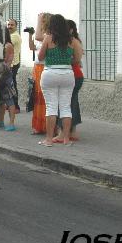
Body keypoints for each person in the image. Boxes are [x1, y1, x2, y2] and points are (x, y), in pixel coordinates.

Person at [38, 14, 83, 147]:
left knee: (51, 107)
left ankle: (49, 140)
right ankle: (66, 139)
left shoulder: (48, 38)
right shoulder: (73, 41)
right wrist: (66, 61)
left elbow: (40, 57)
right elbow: (77, 59)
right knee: (65, 107)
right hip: (67, 74)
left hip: (50, 73)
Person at [55, 19, 83, 143]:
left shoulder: (71, 41)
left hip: (72, 75)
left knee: (64, 104)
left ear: (70, 29)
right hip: (74, 75)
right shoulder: (73, 41)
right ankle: (73, 132)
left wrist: (62, 60)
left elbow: (77, 60)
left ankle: (62, 133)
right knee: (73, 104)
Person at [29, 12, 51, 134]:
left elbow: (38, 37)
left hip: (44, 67)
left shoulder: (48, 35)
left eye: (42, 21)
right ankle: (38, 125)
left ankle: (45, 125)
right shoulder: (41, 34)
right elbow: (33, 47)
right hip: (37, 67)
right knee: (37, 97)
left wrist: (39, 20)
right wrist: (29, 35)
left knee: (44, 97)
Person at [7, 19, 22, 112]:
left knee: (12, 85)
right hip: (11, 63)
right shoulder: (10, 35)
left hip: (13, 64)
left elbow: (5, 45)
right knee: (9, 84)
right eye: (8, 24)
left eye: (12, 25)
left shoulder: (14, 36)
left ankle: (16, 106)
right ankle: (10, 105)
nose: (9, 26)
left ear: (16, 27)